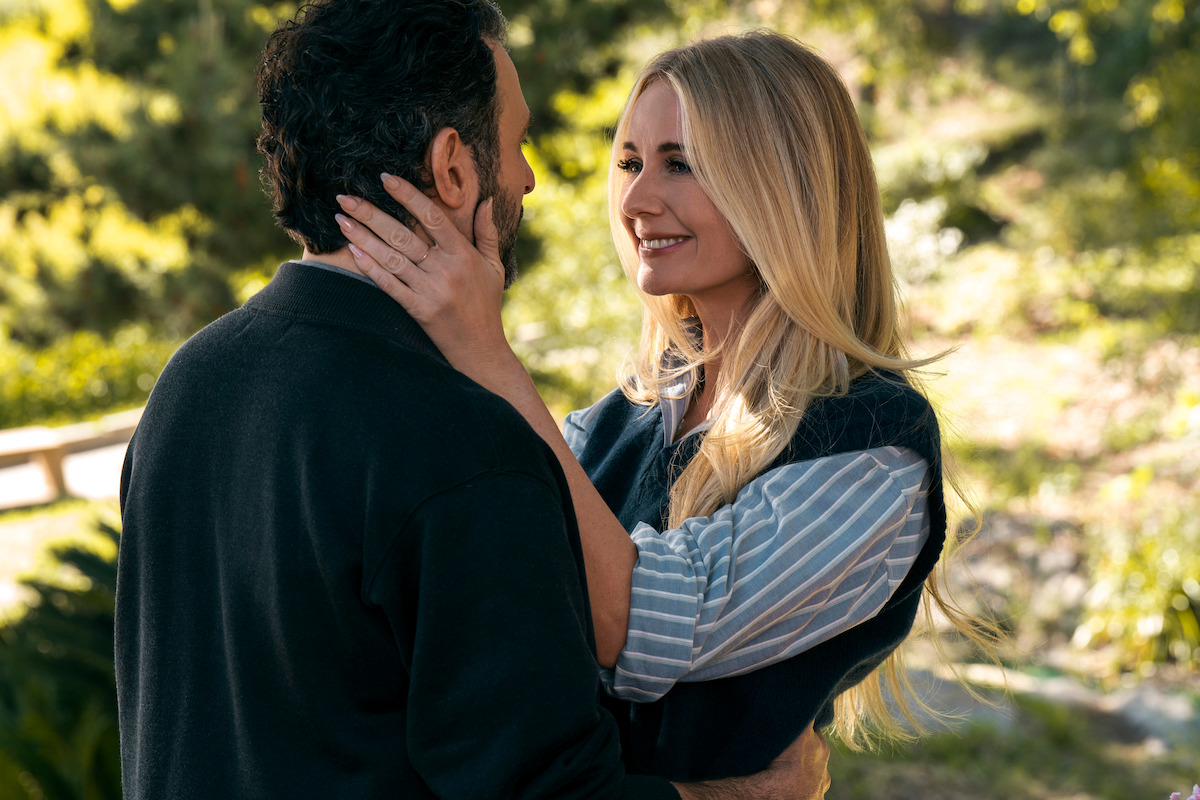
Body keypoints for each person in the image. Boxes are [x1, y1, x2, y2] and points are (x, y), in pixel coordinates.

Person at [115, 3, 834, 798]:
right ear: (454, 167)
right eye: (518, 142)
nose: (527, 177)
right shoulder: (463, 442)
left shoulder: (191, 384)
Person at [336, 29, 995, 783]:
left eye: (680, 163)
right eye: (630, 163)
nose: (637, 200)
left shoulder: (872, 448)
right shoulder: (626, 415)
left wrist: (486, 353)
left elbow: (640, 623)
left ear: (786, 186)